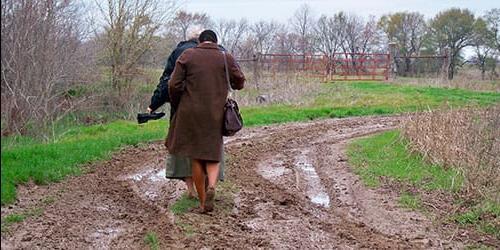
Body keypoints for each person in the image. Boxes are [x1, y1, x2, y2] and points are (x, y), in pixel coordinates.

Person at [167, 30, 245, 213]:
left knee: (196, 156)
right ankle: (212, 187)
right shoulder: (225, 57)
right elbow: (239, 81)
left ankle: (202, 203)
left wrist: (179, 101)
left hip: (190, 112)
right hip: (215, 112)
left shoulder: (188, 55)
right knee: (213, 153)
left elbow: (173, 84)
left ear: (199, 41)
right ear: (216, 42)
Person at [147, 27, 224, 199]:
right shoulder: (220, 52)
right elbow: (232, 77)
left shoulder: (179, 53)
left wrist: (155, 104)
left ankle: (191, 190)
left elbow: (168, 82)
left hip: (184, 109)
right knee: (210, 146)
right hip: (213, 110)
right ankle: (208, 185)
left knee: (184, 148)